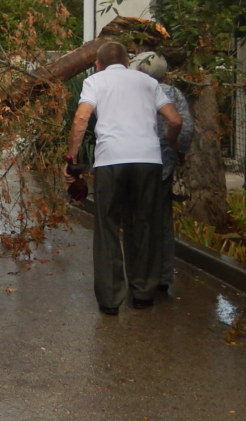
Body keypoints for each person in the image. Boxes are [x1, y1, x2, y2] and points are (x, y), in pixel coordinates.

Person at [65, 41, 181, 315]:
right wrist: (170, 141)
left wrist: (71, 160)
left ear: (97, 64)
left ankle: (110, 299)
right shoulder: (148, 82)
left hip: (111, 161)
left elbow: (81, 119)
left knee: (107, 227)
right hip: (148, 161)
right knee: (144, 224)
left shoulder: (95, 81)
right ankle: (143, 293)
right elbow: (175, 120)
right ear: (128, 61)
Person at [129, 51, 194, 293]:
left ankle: (139, 274)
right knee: (162, 221)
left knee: (137, 219)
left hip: (135, 163)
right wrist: (177, 149)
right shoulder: (173, 93)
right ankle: (163, 277)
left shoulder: (134, 93)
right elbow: (185, 129)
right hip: (164, 166)